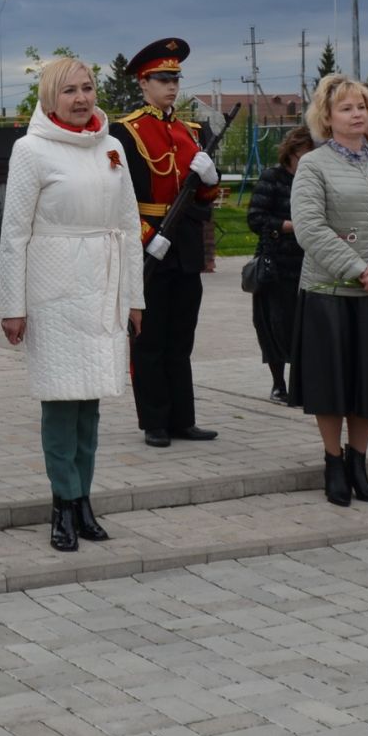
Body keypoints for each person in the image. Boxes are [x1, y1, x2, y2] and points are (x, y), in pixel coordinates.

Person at [0, 57, 143, 552]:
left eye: (87, 88)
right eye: (69, 91)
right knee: (61, 402)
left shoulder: (113, 147)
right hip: (53, 289)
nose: (81, 99)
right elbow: (14, 234)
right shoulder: (30, 150)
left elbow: (128, 228)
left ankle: (84, 502)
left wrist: (134, 298)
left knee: (91, 403)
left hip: (103, 287)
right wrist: (12, 305)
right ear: (49, 96)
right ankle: (62, 504)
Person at [289, 75, 368, 508]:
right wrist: (359, 267)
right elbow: (310, 227)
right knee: (333, 387)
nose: (357, 114)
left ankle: (359, 465)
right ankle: (333, 463)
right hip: (330, 292)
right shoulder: (313, 165)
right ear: (326, 116)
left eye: (362, 106)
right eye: (346, 108)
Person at [112, 38, 221, 447]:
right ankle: (154, 420)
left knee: (181, 337)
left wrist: (211, 180)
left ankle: (182, 418)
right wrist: (145, 237)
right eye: (162, 79)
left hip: (186, 248)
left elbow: (203, 197)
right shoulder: (125, 132)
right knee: (150, 338)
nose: (171, 86)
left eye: (175, 78)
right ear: (144, 83)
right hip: (148, 245)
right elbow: (117, 198)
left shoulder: (190, 130)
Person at [248, 125, 315, 403]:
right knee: (275, 326)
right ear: (291, 154)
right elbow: (255, 219)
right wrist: (289, 226)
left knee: (306, 328)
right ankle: (279, 384)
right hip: (276, 266)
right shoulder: (272, 178)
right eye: (304, 157)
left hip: (309, 263)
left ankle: (303, 383)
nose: (308, 163)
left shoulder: (315, 180)